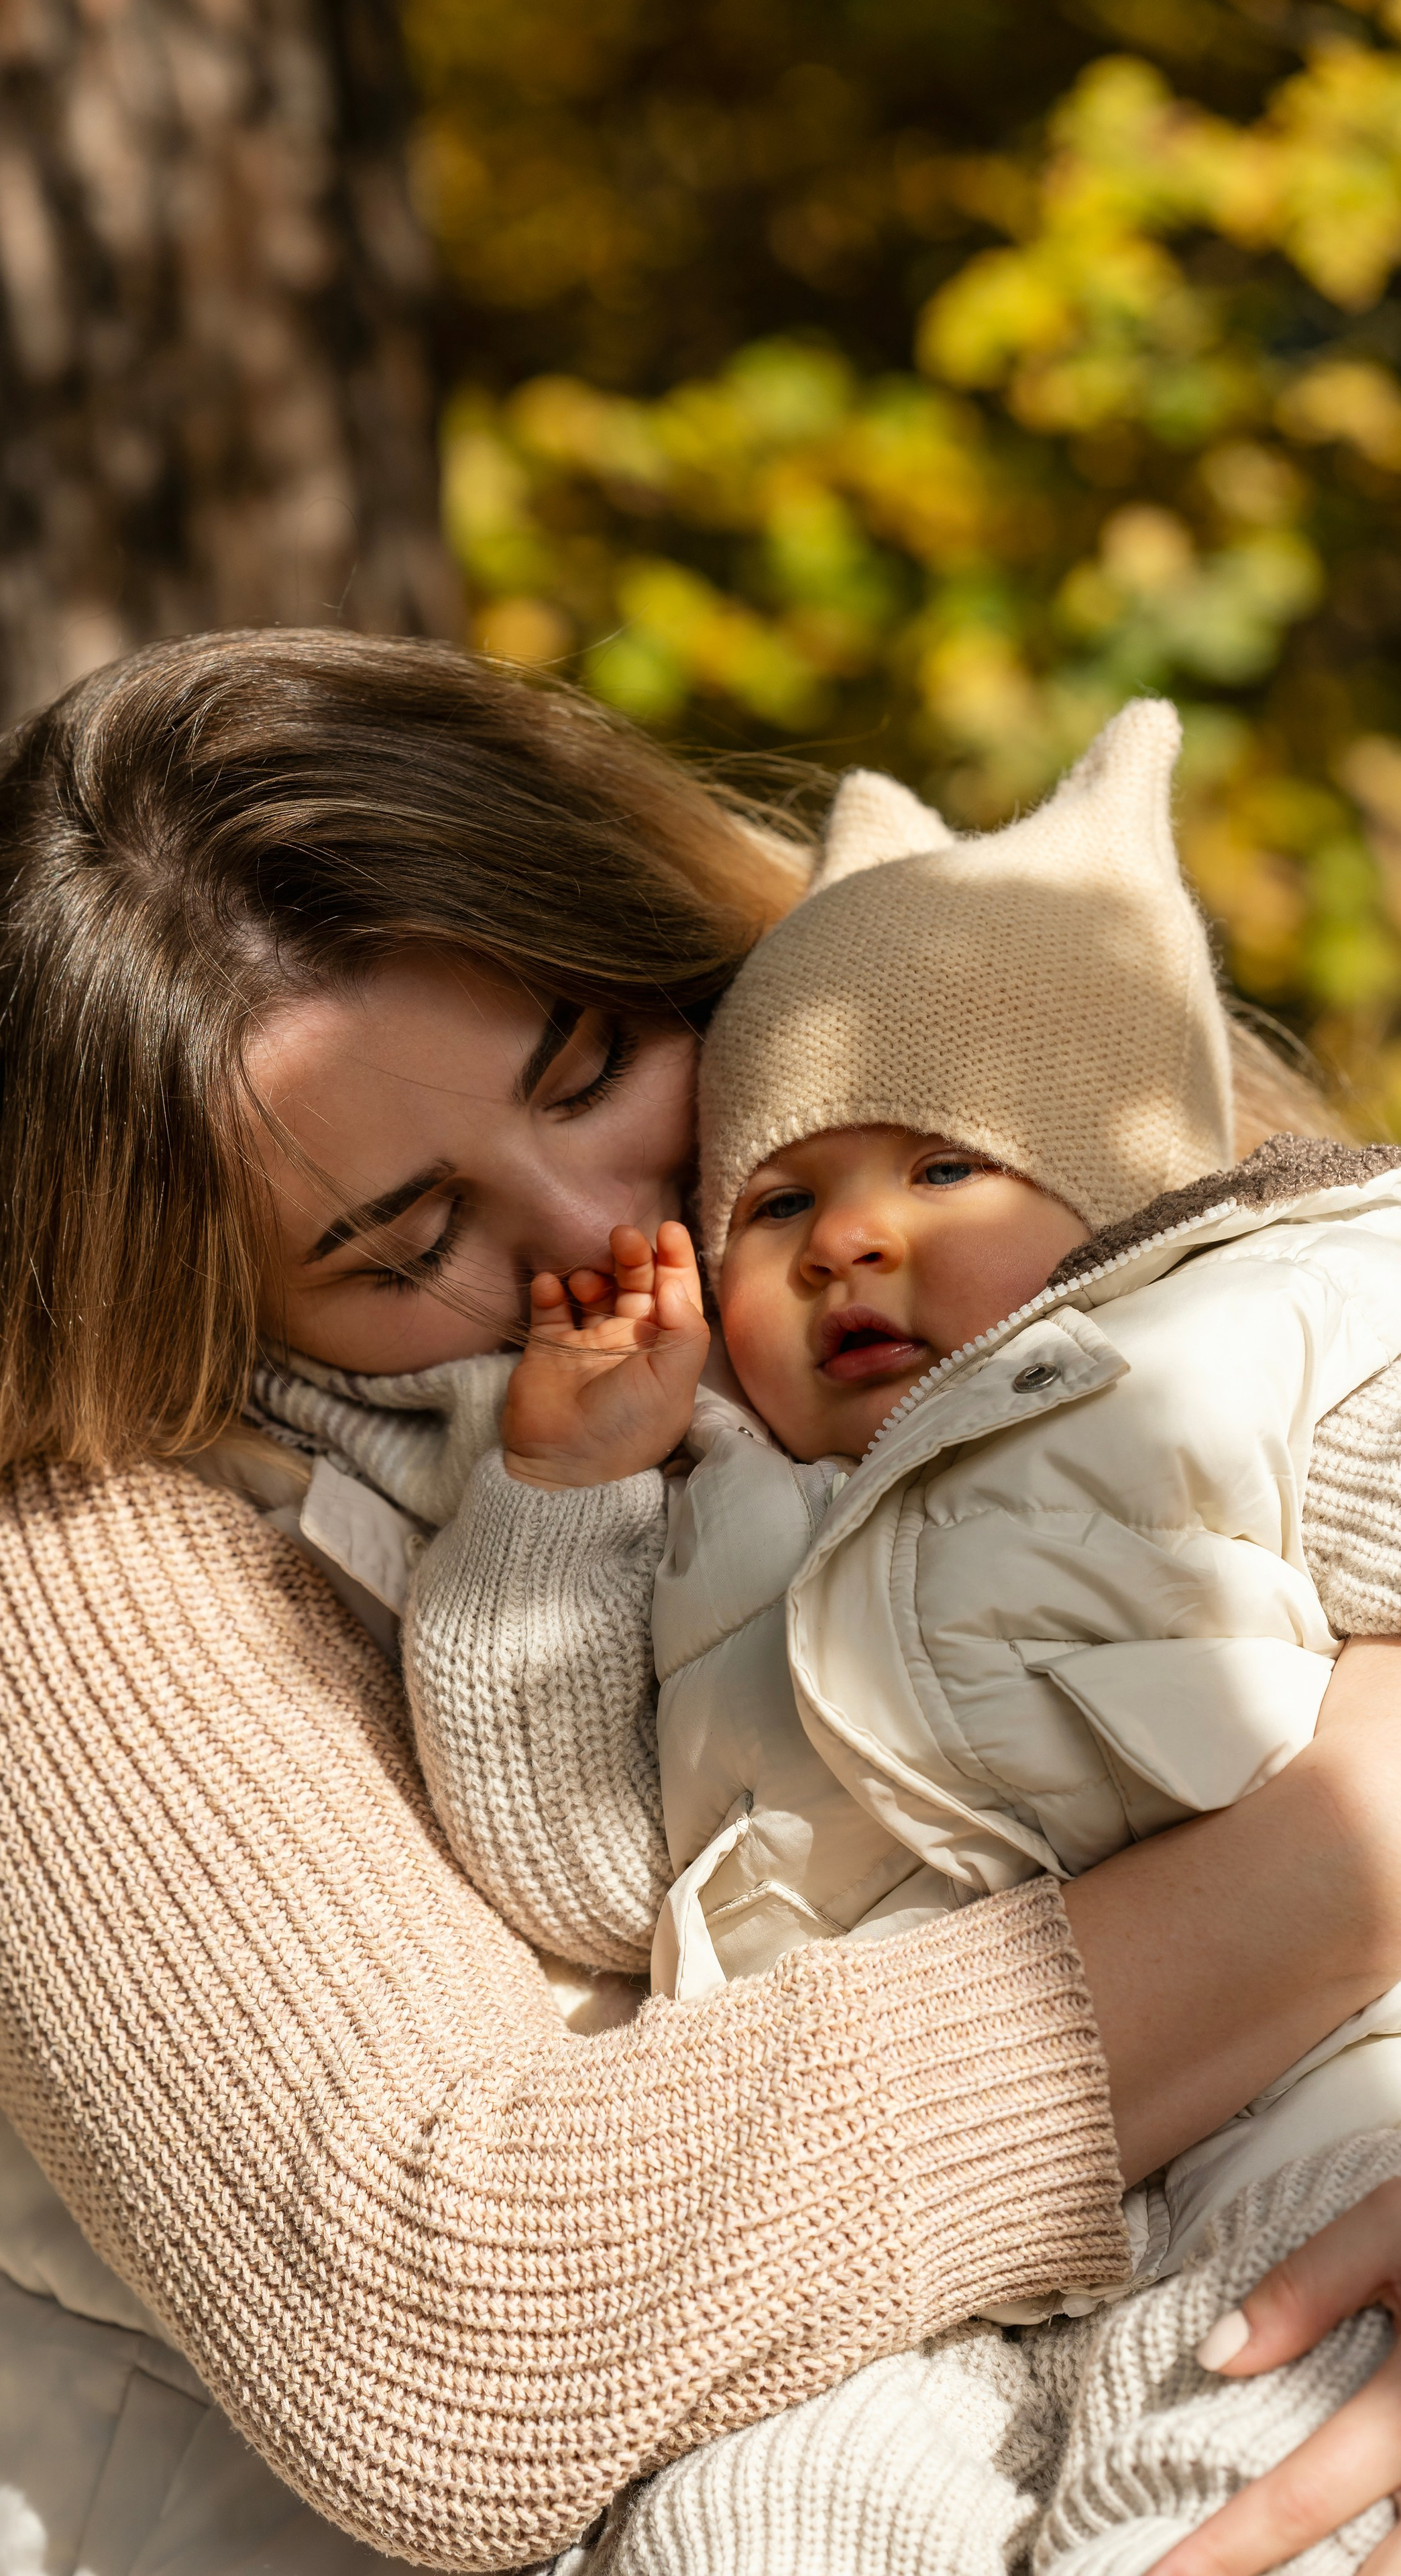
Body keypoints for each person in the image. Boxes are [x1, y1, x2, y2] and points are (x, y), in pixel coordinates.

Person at [0, 631, 1401, 2576]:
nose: (603, 1230)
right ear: (183, 1303)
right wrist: (1358, 1840)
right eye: (406, 1240)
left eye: (596, 1066)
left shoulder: (1000, 1197)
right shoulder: (84, 1554)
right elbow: (449, 2329)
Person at [403, 696, 1401, 2566]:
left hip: (1304, 2133)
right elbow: (574, 1868)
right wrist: (550, 1511)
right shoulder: (705, 1524)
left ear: (1133, 1194)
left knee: (1237, 2474)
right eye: (779, 1201)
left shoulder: (1244, 1347)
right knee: (737, 2525)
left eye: (941, 1170)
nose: (851, 1239)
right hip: (900, 2272)